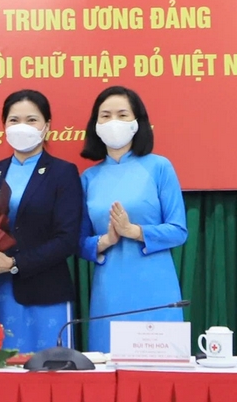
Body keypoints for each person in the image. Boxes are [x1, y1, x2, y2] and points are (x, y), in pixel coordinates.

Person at [0, 89, 82, 352]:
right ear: (4, 126)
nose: (22, 126)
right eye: (14, 120)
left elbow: (67, 239)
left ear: (47, 126)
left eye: (31, 120)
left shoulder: (63, 172)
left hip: (45, 293)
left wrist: (14, 264)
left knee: (49, 370)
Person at [79, 86, 188, 353]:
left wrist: (135, 231)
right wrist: (106, 240)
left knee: (160, 368)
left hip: (155, 285)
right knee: (107, 365)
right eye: (105, 116)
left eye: (122, 114)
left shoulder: (160, 167)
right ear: (95, 125)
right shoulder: (88, 178)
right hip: (109, 288)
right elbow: (79, 242)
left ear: (137, 122)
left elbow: (178, 230)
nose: (113, 122)